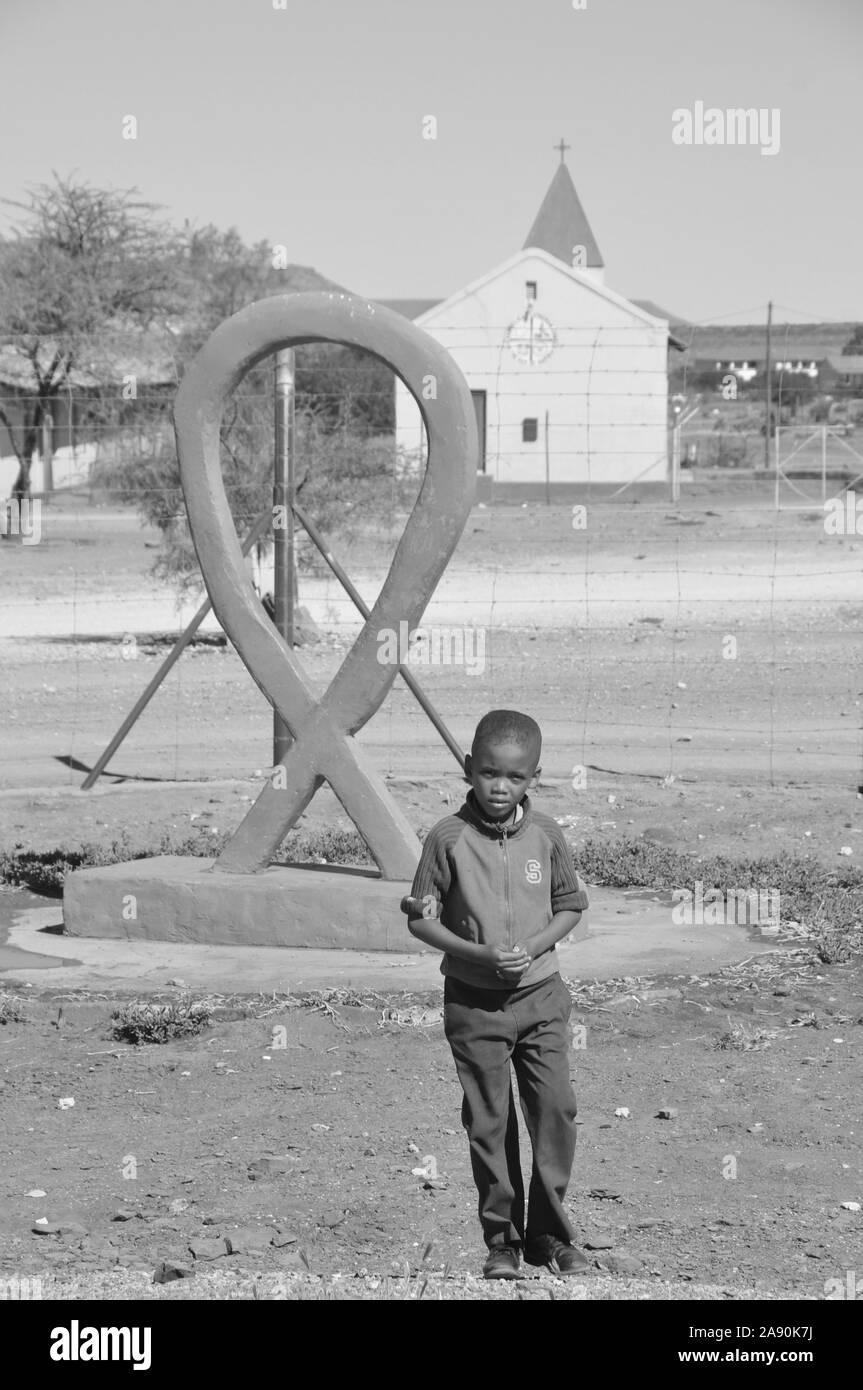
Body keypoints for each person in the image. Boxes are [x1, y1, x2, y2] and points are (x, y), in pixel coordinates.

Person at [401, 709, 591, 1280]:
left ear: (534, 776)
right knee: (489, 1121)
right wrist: (477, 953)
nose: (500, 787)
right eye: (488, 773)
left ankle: (551, 1235)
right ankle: (503, 1242)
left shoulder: (548, 835)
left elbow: (571, 906)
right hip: (473, 1002)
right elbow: (419, 919)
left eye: (514, 776)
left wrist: (533, 948)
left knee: (554, 1110)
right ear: (468, 769)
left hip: (541, 998)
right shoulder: (446, 838)